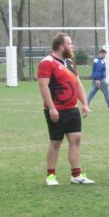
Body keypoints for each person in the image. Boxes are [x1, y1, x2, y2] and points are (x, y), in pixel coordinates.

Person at [38, 33, 94, 185]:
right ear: (61, 46)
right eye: (69, 44)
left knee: (76, 139)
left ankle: (76, 175)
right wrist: (52, 108)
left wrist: (85, 103)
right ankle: (50, 176)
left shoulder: (70, 62)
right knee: (56, 142)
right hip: (57, 111)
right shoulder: (47, 62)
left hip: (72, 109)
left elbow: (78, 84)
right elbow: (43, 86)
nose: (72, 46)